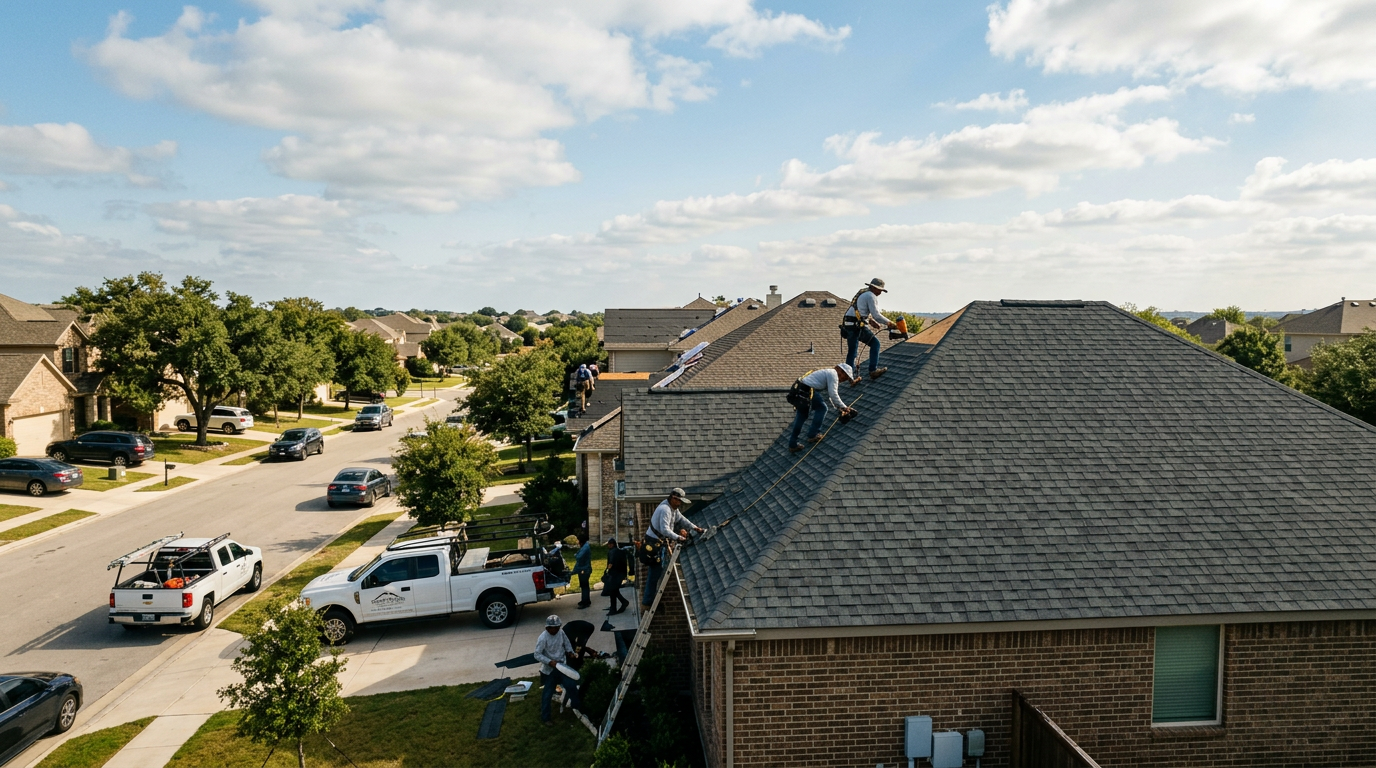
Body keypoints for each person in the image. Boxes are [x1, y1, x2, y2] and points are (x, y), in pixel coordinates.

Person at [642, 488, 703, 608]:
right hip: (654, 544)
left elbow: (681, 519)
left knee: (658, 572)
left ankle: (651, 599)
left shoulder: (673, 508)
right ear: (673, 498)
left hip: (659, 543)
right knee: (654, 573)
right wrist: (678, 537)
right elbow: (665, 529)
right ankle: (648, 601)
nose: (679, 504)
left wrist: (696, 528)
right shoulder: (665, 509)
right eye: (678, 501)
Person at [789, 363, 858, 453]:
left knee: (801, 416)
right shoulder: (833, 374)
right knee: (822, 408)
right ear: (838, 369)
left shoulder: (828, 373)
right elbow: (833, 394)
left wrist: (839, 408)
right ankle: (813, 434)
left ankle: (792, 444)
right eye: (844, 376)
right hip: (808, 391)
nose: (843, 379)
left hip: (801, 391)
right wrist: (845, 407)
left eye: (846, 379)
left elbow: (829, 397)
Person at [842, 278, 895, 381]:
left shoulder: (863, 293)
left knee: (852, 351)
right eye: (879, 290)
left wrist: (870, 321)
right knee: (875, 344)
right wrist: (889, 323)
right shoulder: (871, 296)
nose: (880, 292)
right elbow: (876, 314)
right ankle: (873, 371)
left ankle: (849, 377)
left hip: (849, 324)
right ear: (874, 288)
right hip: (855, 326)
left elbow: (860, 310)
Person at [535, 615, 579, 724]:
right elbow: (537, 654)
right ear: (547, 628)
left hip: (562, 667)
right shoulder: (542, 638)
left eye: (557, 627)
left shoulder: (561, 633)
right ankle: (546, 718)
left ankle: (577, 708)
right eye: (552, 628)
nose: (555, 630)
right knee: (547, 694)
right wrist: (550, 662)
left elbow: (567, 644)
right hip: (550, 670)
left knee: (571, 686)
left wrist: (570, 652)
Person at [602, 537, 631, 614]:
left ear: (612, 544)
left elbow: (610, 563)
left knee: (612, 591)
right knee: (614, 590)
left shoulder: (612, 552)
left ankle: (613, 609)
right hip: (621, 574)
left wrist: (607, 571)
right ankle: (623, 602)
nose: (608, 546)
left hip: (614, 574)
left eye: (609, 544)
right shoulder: (620, 551)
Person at [572, 531, 592, 608]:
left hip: (585, 570)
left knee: (584, 586)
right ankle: (585, 600)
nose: (578, 542)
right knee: (584, 585)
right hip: (583, 569)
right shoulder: (585, 546)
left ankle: (585, 602)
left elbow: (578, 557)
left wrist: (576, 555)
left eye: (578, 540)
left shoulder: (585, 547)